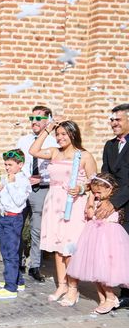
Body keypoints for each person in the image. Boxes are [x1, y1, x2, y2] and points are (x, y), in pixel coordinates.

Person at [29, 119, 97, 307]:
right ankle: (62, 285)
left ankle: (74, 288)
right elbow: (33, 151)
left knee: (70, 248)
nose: (59, 138)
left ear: (73, 134)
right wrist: (47, 130)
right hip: (53, 203)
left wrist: (82, 189)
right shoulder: (53, 152)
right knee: (57, 247)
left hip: (73, 204)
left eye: (63, 134)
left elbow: (94, 182)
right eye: (57, 134)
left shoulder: (84, 156)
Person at [66, 173, 129, 314]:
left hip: (108, 240)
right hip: (93, 238)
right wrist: (90, 200)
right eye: (94, 192)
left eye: (99, 192)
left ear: (110, 190)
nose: (96, 195)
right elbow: (89, 215)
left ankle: (111, 297)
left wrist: (95, 204)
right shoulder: (95, 200)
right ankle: (102, 299)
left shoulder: (111, 205)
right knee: (94, 271)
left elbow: (100, 215)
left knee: (103, 271)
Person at [16, 106, 58, 283]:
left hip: (41, 189)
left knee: (37, 229)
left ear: (48, 120)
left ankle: (35, 265)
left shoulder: (53, 143)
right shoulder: (23, 140)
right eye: (31, 117)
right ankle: (17, 262)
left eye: (38, 118)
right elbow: (17, 164)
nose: (34, 121)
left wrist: (41, 179)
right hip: (23, 188)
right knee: (17, 226)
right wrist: (26, 179)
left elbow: (57, 170)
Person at [95, 104, 129, 309]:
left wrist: (113, 202)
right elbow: (106, 175)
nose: (113, 123)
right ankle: (123, 292)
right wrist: (98, 196)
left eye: (118, 119)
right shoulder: (109, 145)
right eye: (112, 120)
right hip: (114, 207)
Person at [0, 149, 31, 300]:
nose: (7, 168)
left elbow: (19, 201)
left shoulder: (22, 180)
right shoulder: (6, 177)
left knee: (11, 252)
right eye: (5, 164)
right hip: (4, 217)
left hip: (13, 219)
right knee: (5, 249)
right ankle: (18, 281)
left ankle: (10, 288)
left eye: (10, 165)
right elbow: (3, 199)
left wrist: (12, 184)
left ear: (20, 164)